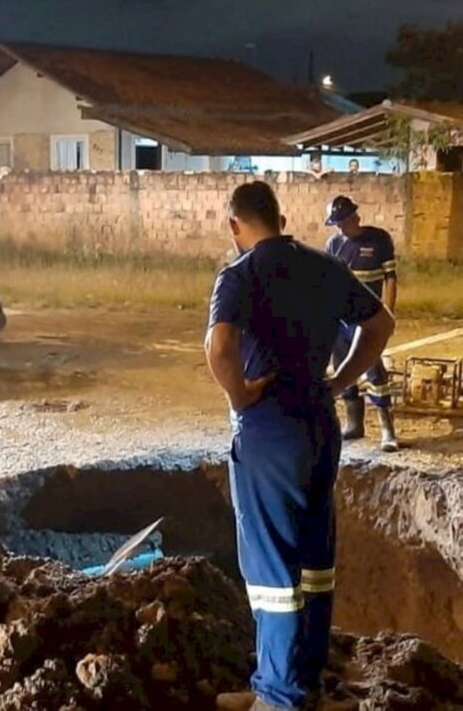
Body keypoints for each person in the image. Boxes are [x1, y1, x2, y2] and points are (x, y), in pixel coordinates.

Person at [205, 182, 395, 710]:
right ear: (281, 217)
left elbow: (218, 346)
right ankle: (297, 684)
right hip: (318, 425)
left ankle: (278, 698)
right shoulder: (323, 265)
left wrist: (241, 395)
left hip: (269, 433)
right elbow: (381, 323)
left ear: (234, 225)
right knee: (313, 563)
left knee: (272, 571)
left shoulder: (239, 275)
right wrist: (338, 382)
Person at [324, 195, 399, 452]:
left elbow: (390, 278)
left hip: (367, 320)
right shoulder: (333, 244)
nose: (340, 228)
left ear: (355, 218)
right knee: (343, 368)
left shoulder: (378, 240)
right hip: (340, 321)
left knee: (373, 370)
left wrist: (387, 314)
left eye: (342, 222)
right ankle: (354, 424)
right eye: (336, 224)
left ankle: (387, 429)